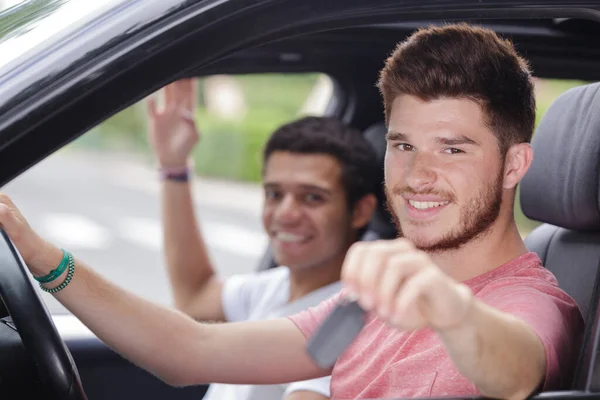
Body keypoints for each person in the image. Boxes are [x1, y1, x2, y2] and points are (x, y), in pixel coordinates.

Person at [0, 23, 584, 400]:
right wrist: (41, 255)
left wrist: (450, 310)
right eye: (403, 145)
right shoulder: (372, 298)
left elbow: (514, 372)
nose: (416, 175)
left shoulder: (530, 302)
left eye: (452, 149)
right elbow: (191, 352)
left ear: (513, 165)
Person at [146, 79, 379, 400]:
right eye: (274, 194)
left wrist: (55, 265)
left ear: (360, 211)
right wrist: (174, 167)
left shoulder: (352, 318)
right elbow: (195, 296)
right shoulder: (275, 285)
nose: (285, 213)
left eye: (312, 198)